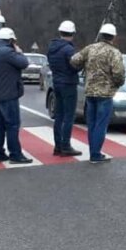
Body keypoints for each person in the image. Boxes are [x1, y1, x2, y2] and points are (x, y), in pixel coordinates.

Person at [70, 23, 126, 163]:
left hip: (90, 92)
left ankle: (93, 152)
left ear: (101, 35)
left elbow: (74, 60)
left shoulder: (90, 48)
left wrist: (84, 66)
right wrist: (118, 84)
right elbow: (118, 73)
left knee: (92, 124)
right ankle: (95, 155)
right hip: (105, 94)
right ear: (113, 37)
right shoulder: (114, 52)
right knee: (101, 125)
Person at [0, 28, 33, 164]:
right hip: (8, 94)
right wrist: (19, 52)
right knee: (12, 125)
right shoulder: (7, 52)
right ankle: (15, 154)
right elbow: (24, 63)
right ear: (10, 40)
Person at [46, 20, 82, 156]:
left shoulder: (52, 48)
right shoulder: (68, 49)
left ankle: (58, 146)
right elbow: (75, 66)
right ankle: (66, 146)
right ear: (72, 33)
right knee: (69, 116)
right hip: (68, 84)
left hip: (57, 83)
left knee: (59, 116)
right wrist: (81, 64)